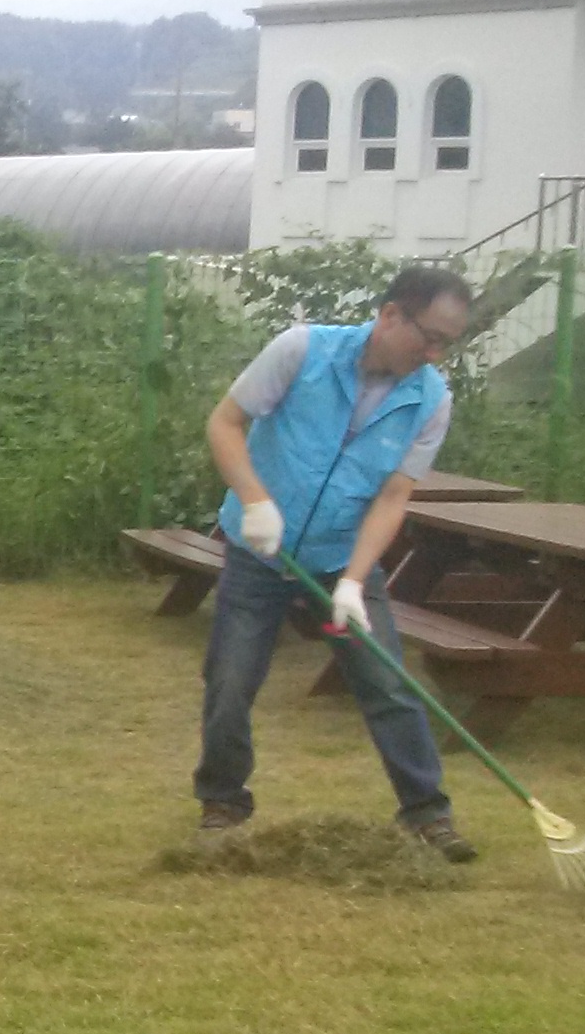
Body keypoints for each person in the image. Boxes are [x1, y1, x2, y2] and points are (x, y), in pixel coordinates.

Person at [195, 263, 478, 861]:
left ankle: (427, 813)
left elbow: (393, 496)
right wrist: (255, 502)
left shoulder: (430, 401)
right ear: (391, 314)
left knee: (388, 683)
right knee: (231, 680)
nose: (434, 355)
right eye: (429, 337)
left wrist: (352, 581)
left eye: (446, 344)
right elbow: (225, 423)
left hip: (341, 558)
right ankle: (222, 802)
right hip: (260, 551)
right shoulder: (301, 351)